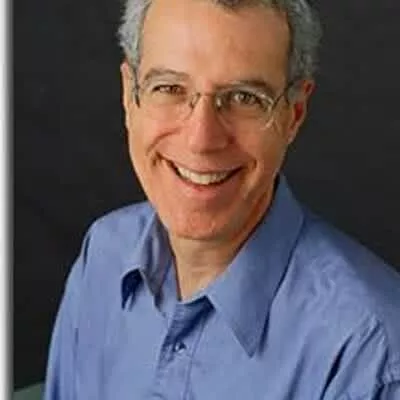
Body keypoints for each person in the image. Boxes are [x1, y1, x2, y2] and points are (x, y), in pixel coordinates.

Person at [44, 0, 400, 398]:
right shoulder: (103, 254)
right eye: (170, 88)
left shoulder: (370, 355)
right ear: (130, 96)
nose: (201, 139)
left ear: (294, 114)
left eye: (245, 98)